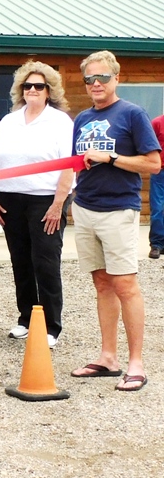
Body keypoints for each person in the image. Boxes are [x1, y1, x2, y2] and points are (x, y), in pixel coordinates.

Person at [69, 50, 160, 392]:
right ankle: (108, 357)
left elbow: (153, 164)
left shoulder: (133, 114)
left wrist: (111, 157)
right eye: (89, 78)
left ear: (116, 78)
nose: (96, 83)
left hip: (119, 209)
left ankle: (136, 364)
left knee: (125, 285)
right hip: (85, 208)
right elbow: (77, 163)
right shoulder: (82, 118)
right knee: (102, 283)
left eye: (102, 77)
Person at [0, 61, 73, 348]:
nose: (32, 90)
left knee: (45, 263)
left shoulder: (60, 121)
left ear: (49, 90)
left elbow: (69, 166)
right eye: (27, 85)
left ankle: (51, 325)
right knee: (20, 262)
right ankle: (27, 318)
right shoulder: (9, 121)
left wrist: (58, 204)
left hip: (45, 200)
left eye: (39, 86)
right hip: (10, 200)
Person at [148, 114, 164, 259]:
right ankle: (157, 244)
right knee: (157, 208)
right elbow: (149, 146)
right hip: (160, 172)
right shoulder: (157, 123)